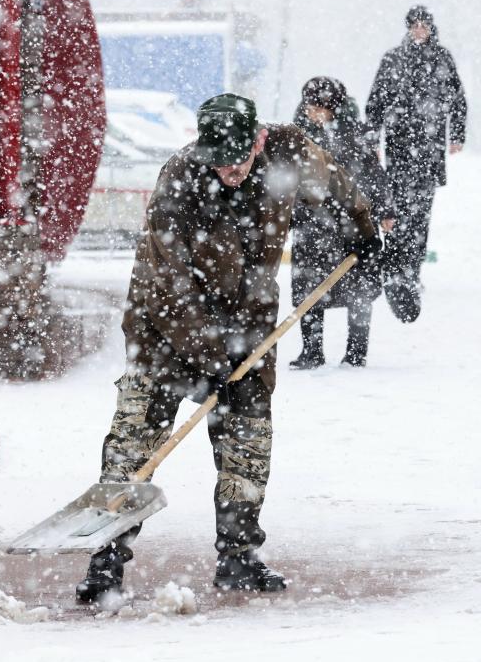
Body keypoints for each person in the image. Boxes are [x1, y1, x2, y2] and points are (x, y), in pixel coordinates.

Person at [75, 93, 379, 604]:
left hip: (249, 324)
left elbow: (335, 184)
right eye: (219, 162)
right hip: (164, 331)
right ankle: (104, 561)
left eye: (238, 161)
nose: (230, 173)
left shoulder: (286, 152)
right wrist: (212, 354)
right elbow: (167, 285)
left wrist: (363, 229)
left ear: (258, 140)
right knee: (135, 442)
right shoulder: (179, 179)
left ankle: (239, 556)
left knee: (248, 440)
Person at [364, 5, 467, 311]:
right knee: (395, 210)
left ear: (431, 28)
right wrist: (373, 138)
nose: (419, 30)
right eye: (415, 25)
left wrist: (457, 134)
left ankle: (412, 270)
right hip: (399, 148)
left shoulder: (442, 59)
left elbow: (457, 98)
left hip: (429, 150)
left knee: (421, 213)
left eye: (424, 25)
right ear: (408, 28)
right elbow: (376, 101)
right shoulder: (393, 59)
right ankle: (393, 267)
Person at [290, 77, 396, 369]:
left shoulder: (355, 134)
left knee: (358, 290)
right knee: (309, 289)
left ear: (331, 107)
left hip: (350, 224)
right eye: (309, 104)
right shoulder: (299, 136)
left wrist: (385, 211)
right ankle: (311, 350)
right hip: (311, 224)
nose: (310, 110)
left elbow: (375, 174)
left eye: (316, 106)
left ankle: (356, 351)